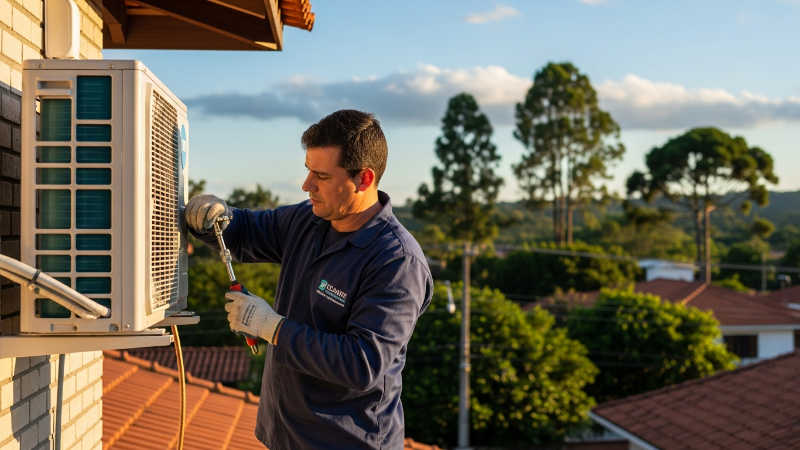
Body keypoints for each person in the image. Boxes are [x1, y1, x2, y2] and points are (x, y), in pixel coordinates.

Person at [184, 109, 433, 449]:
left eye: (322, 176)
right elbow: (244, 231)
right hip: (284, 436)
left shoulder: (396, 262)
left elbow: (361, 363)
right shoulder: (308, 219)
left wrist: (270, 327)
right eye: (307, 171)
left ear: (364, 179)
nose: (307, 185)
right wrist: (213, 216)